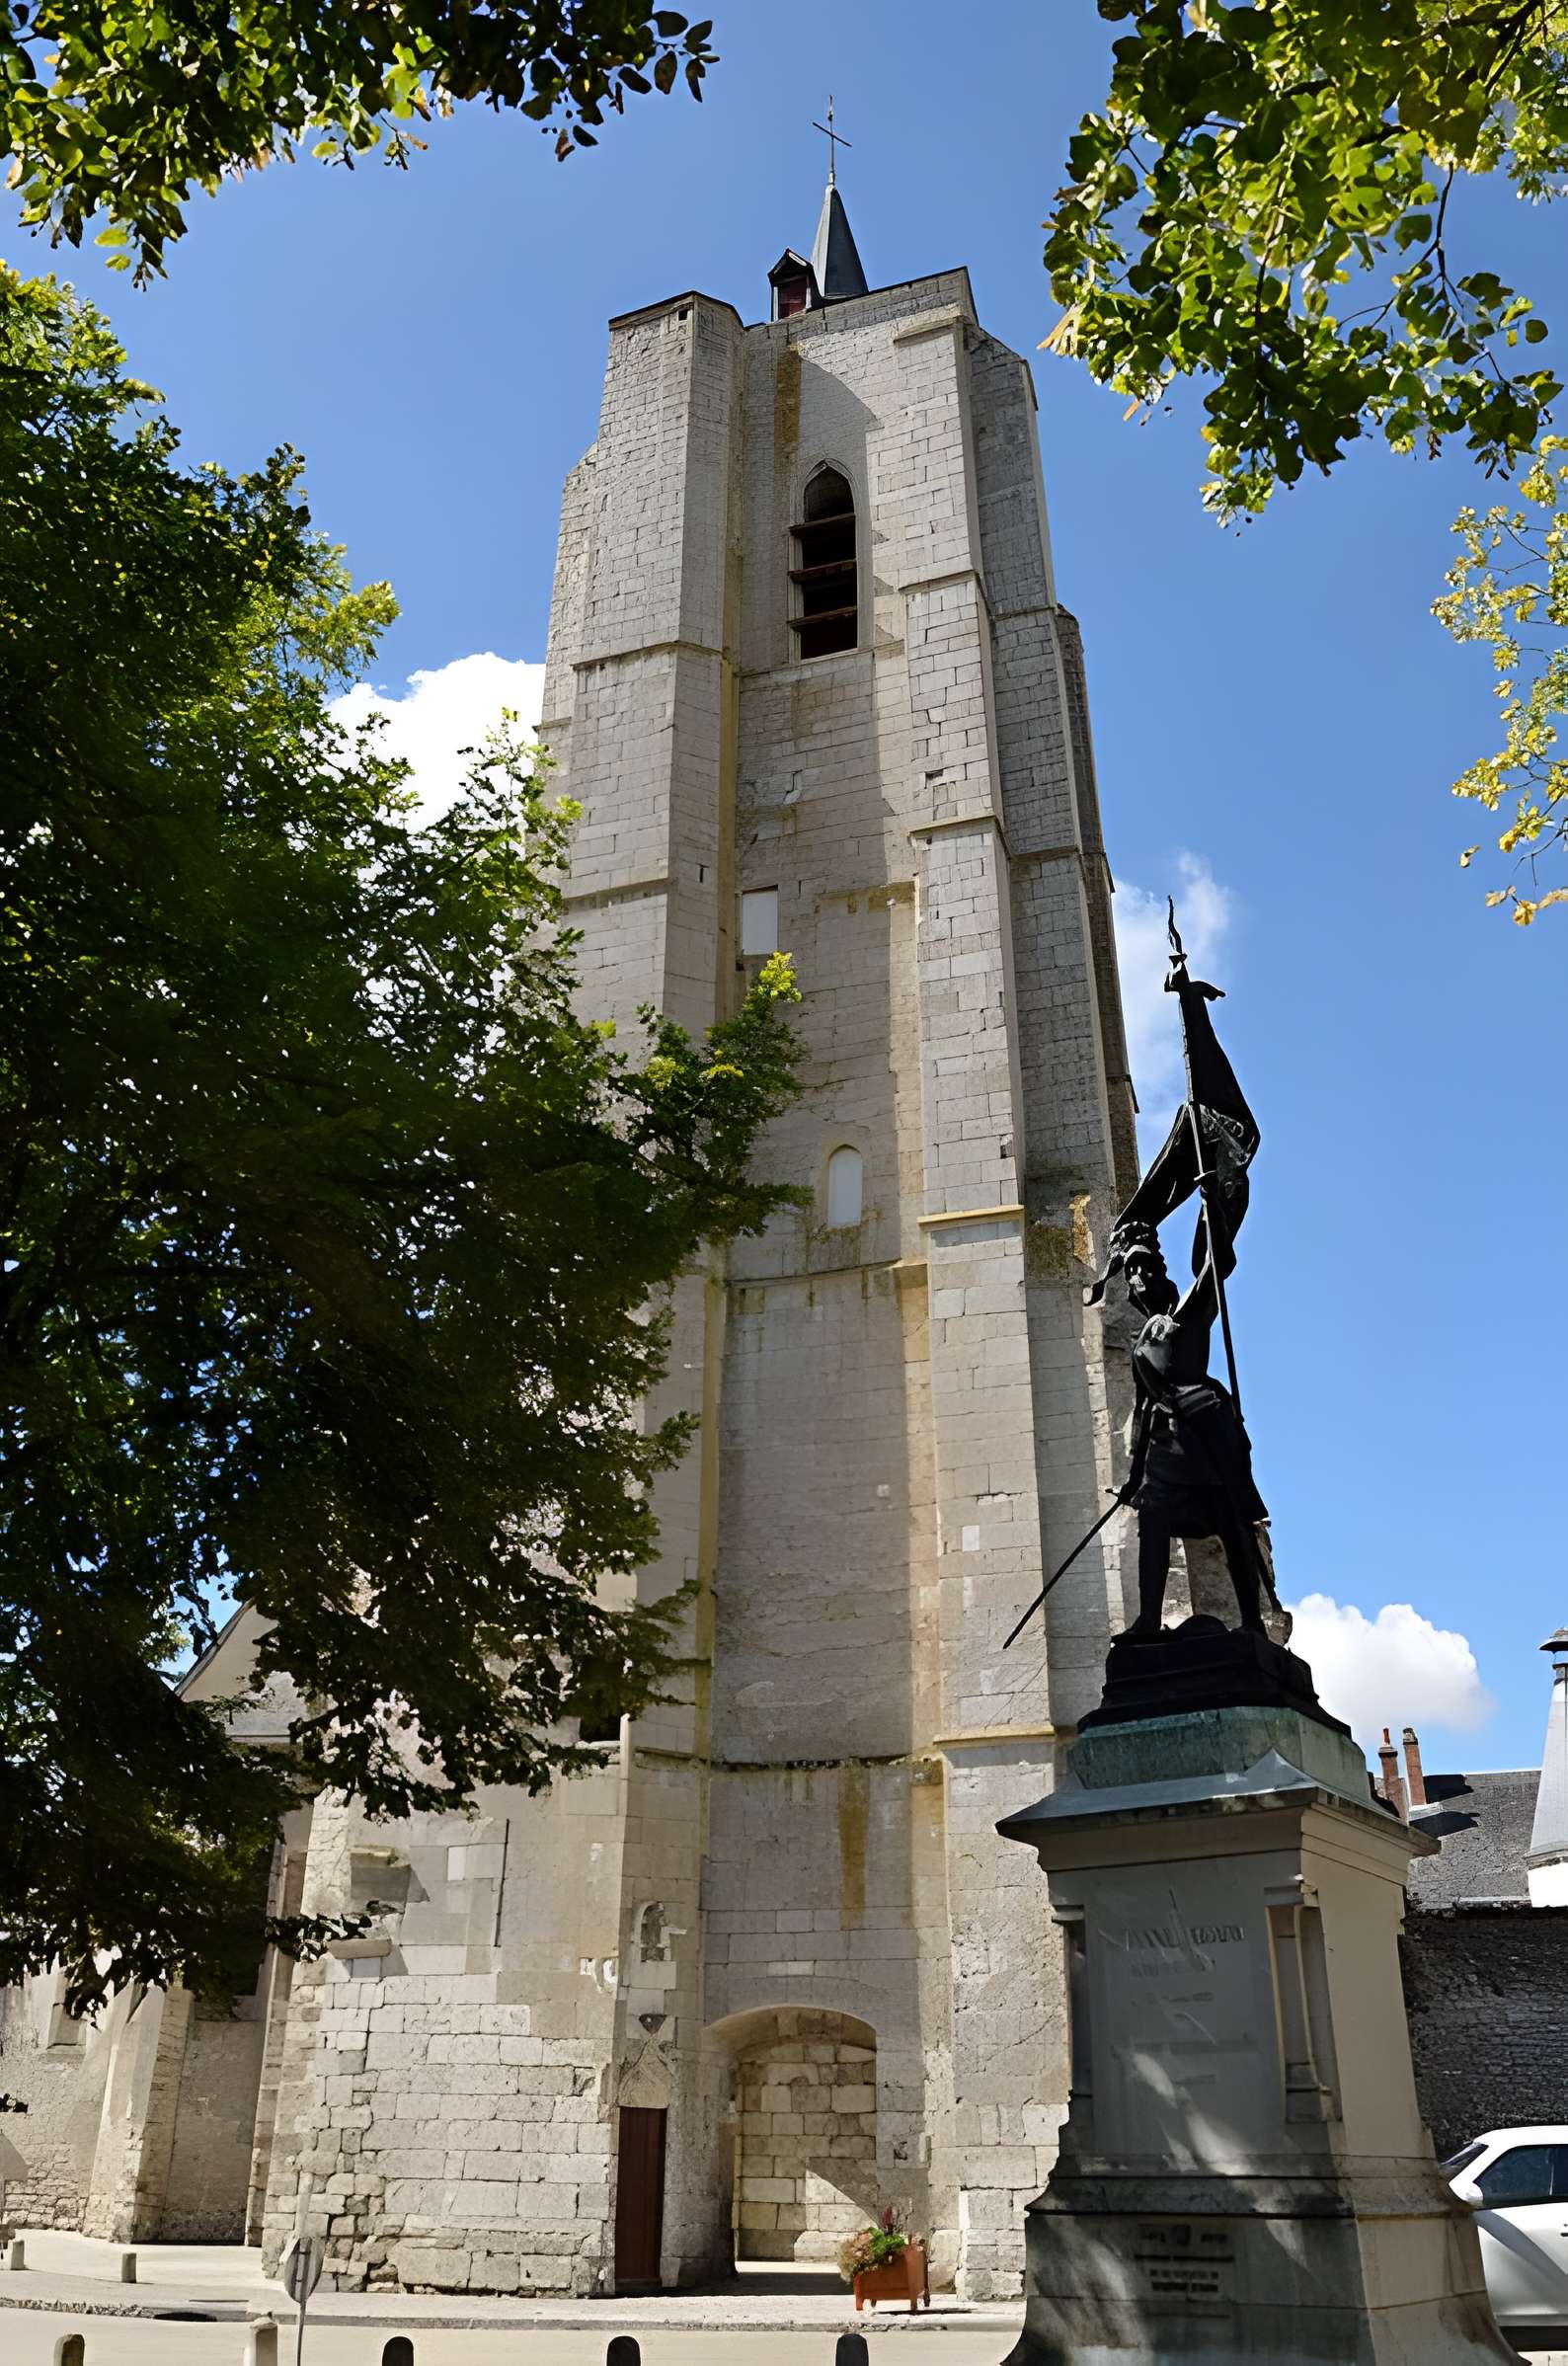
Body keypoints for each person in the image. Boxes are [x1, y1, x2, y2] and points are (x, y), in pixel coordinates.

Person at [1117, 1221, 1269, 1640]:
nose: (1139, 1277)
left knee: (1232, 1519)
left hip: (1205, 1428)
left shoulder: (1190, 1312)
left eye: (1146, 1268)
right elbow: (1145, 1403)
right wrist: (1134, 1477)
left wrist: (1215, 1207)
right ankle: (1148, 1621)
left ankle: (1253, 1623)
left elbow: (1214, 1264)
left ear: (1162, 1275)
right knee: (1153, 1519)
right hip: (1165, 1441)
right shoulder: (1142, 1342)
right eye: (1131, 1271)